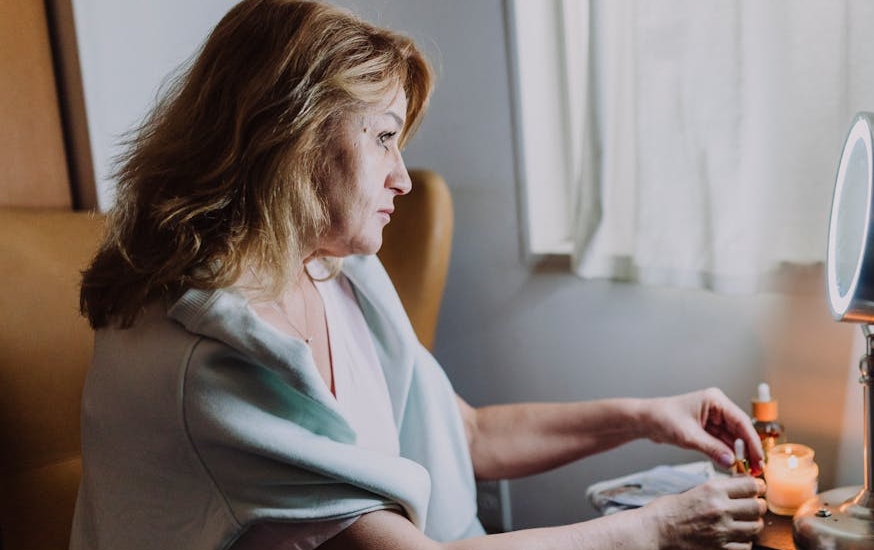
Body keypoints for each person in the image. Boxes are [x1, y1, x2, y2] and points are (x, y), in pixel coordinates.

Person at [71, 0, 767, 548]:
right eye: (381, 138)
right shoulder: (209, 361)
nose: (403, 177)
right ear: (292, 138)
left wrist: (650, 418)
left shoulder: (336, 272)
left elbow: (465, 435)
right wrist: (651, 530)